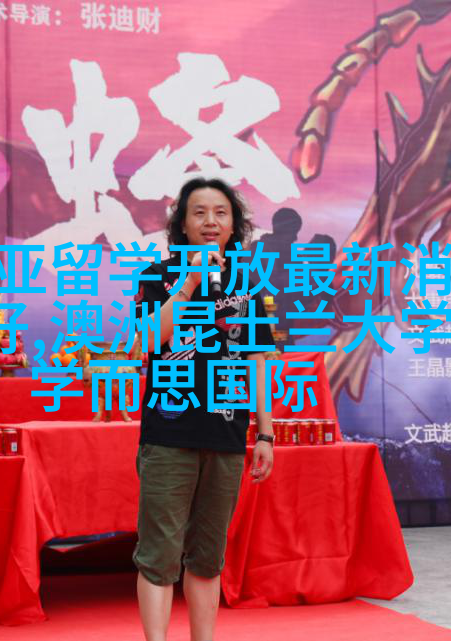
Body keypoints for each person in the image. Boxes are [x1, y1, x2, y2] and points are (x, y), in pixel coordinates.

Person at [132, 177, 276, 641]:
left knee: (209, 557)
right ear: (182, 224)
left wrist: (265, 433)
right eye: (199, 212)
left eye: (220, 212)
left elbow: (257, 360)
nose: (210, 221)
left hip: (226, 435)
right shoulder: (156, 277)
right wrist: (189, 282)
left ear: (233, 226)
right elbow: (147, 342)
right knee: (159, 555)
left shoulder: (247, 284)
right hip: (169, 435)